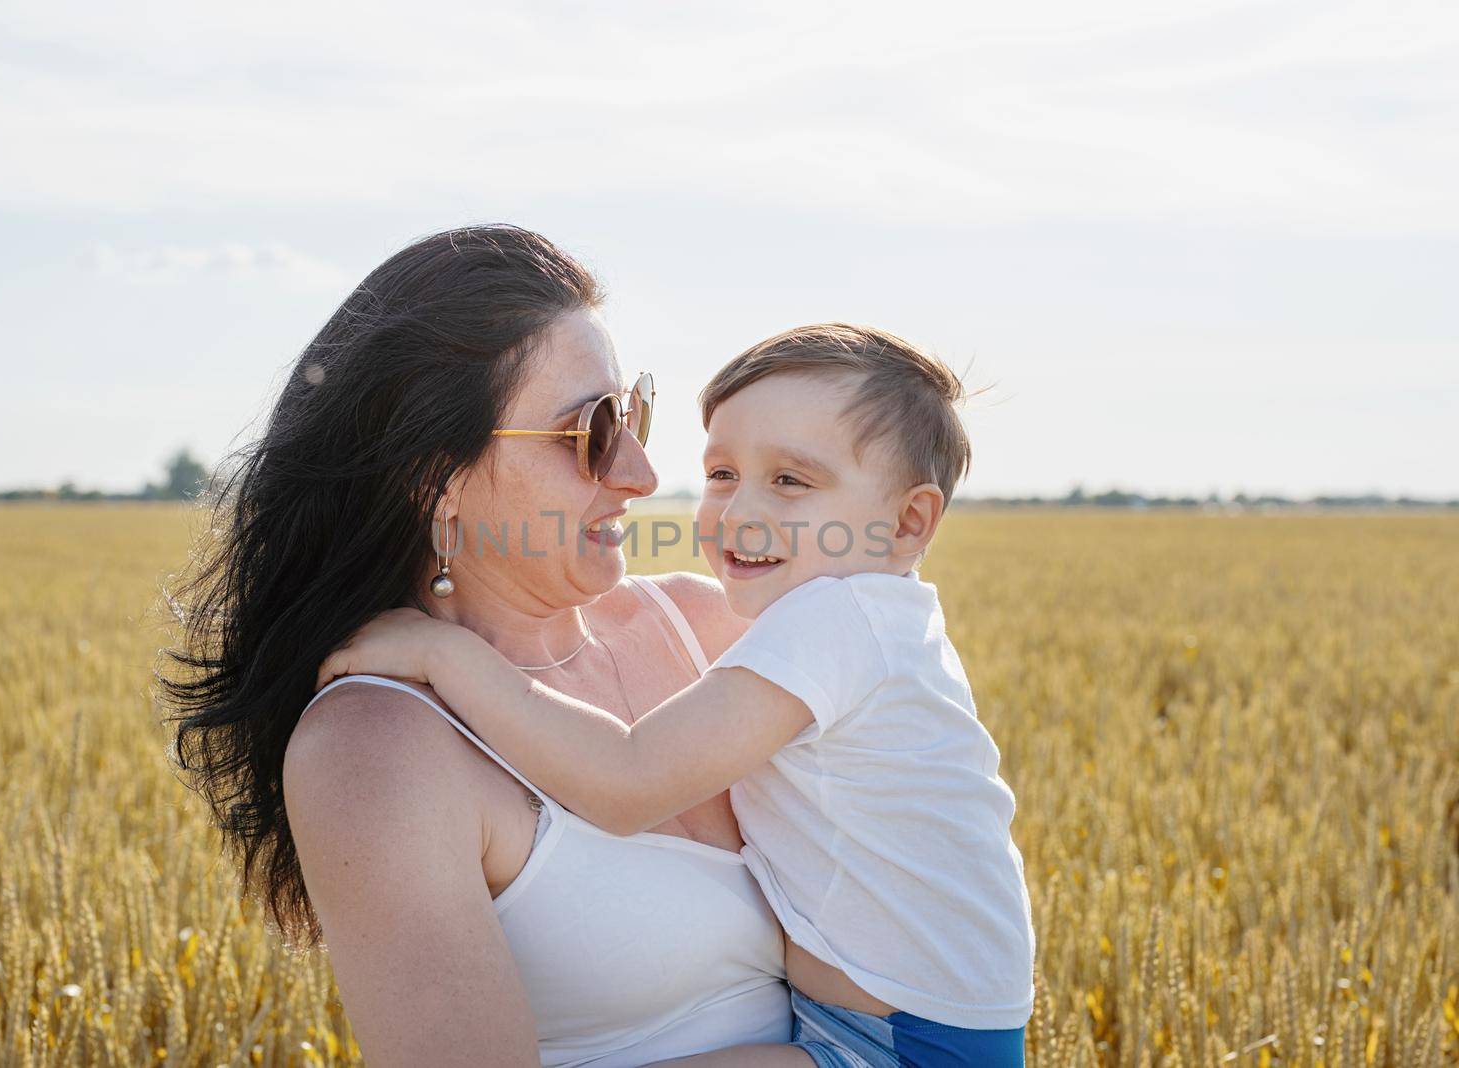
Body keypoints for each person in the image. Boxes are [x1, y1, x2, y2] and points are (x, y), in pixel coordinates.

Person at [157, 225, 814, 1066]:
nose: (641, 472)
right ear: (437, 478)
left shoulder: (714, 627)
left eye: (635, 410)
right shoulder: (378, 749)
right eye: (593, 429)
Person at [316, 324, 1036, 1066]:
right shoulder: (863, 620)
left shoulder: (833, 620)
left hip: (902, 1045)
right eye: (722, 474)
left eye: (790, 481)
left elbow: (629, 779)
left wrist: (446, 654)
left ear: (909, 522)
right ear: (439, 476)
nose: (737, 510)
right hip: (893, 1030)